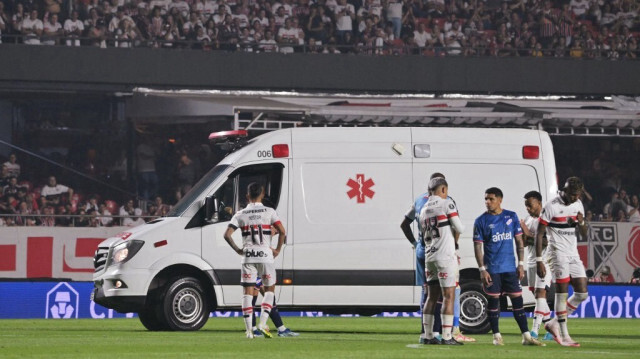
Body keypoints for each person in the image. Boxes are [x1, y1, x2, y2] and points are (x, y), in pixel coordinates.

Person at [473, 187, 544, 346]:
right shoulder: (481, 221)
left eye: (491, 199)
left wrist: (520, 265)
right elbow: (477, 247)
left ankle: (526, 336)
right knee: (493, 302)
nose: (487, 202)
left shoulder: (511, 216)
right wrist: (482, 270)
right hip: (492, 269)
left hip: (510, 269)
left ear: (500, 199)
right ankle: (496, 336)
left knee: (517, 301)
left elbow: (520, 243)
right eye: (486, 199)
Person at [223, 182, 285, 339]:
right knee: (269, 290)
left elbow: (227, 235)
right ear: (263, 194)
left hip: (248, 256)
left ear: (247, 196)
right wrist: (277, 250)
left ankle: (249, 331)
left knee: (247, 294)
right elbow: (282, 231)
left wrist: (238, 250)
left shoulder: (240, 214)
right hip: (265, 255)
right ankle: (263, 324)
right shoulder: (270, 211)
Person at [536, 177, 589, 347]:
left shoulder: (578, 204)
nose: (574, 197)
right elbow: (539, 234)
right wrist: (539, 260)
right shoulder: (552, 206)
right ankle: (565, 336)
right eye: (572, 194)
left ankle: (553, 323)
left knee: (582, 293)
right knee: (562, 292)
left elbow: (584, 234)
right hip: (556, 252)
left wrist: (580, 222)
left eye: (577, 194)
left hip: (573, 253)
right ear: (564, 190)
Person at [419, 177, 465, 345]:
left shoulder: (423, 209)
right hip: (445, 256)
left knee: (431, 297)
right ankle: (447, 336)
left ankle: (428, 335)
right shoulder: (447, 203)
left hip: (429, 256)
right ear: (444, 190)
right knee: (448, 295)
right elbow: (460, 228)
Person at [520, 190, 553, 340]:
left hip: (544, 261)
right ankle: (552, 328)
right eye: (526, 205)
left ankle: (534, 331)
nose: (527, 208)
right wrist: (524, 236)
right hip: (531, 261)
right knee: (538, 296)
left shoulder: (546, 220)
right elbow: (526, 243)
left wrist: (527, 234)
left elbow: (546, 242)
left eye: (530, 205)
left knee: (540, 295)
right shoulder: (528, 219)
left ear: (539, 203)